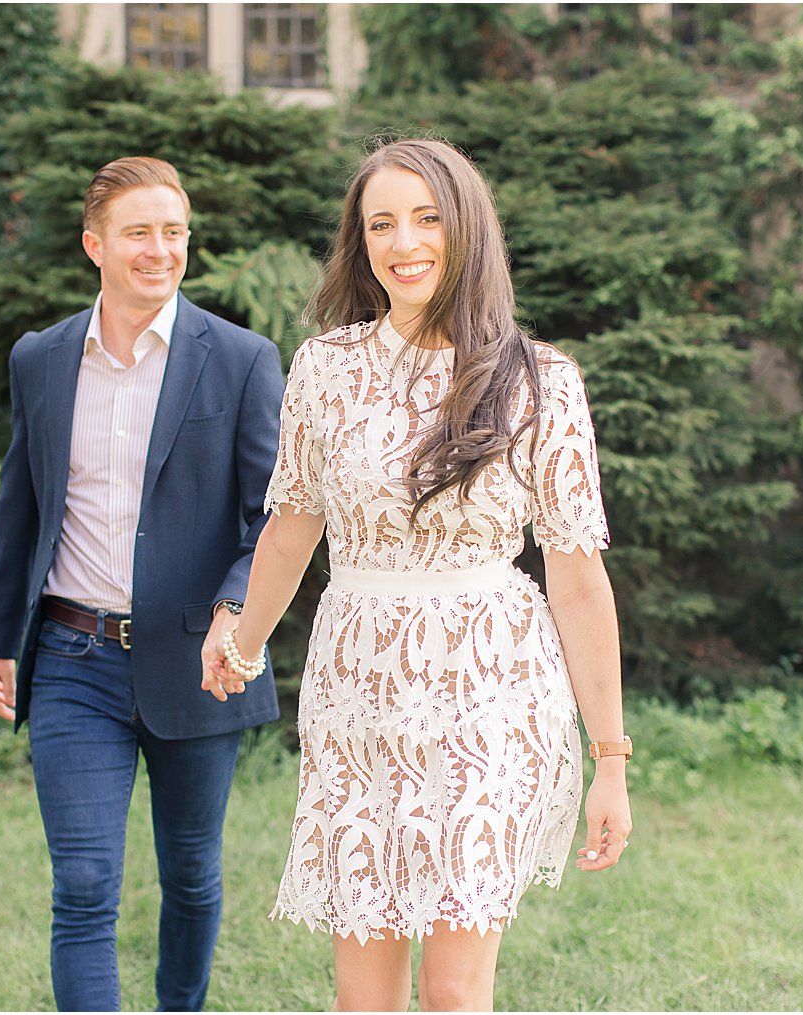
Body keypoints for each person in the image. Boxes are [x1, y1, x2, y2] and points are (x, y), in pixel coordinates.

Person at [203, 138, 633, 1011]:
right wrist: (241, 643)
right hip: (359, 684)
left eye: (428, 219)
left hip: (490, 686)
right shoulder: (326, 368)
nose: (405, 243)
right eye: (381, 224)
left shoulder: (540, 378)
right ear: (360, 243)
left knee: (451, 990)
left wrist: (612, 757)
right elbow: (291, 529)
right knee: (364, 994)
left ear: (466, 230)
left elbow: (578, 578)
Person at [0, 156, 285, 1012]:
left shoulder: (243, 361)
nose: (160, 249)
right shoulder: (41, 360)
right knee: (81, 881)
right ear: (95, 245)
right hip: (73, 654)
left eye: (174, 232)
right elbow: (21, 500)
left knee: (191, 873)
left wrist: (234, 611)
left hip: (198, 659)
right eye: (140, 232)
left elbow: (275, 518)